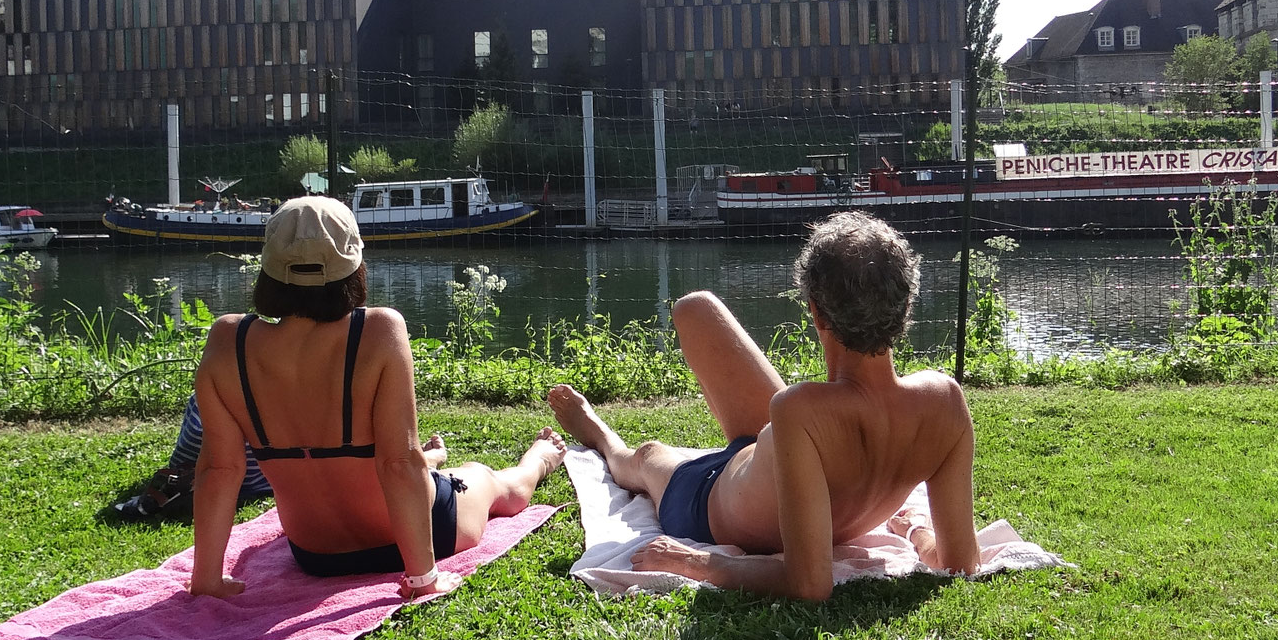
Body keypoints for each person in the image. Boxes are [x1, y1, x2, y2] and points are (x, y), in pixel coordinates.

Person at [548, 211, 983, 600]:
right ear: (907, 303)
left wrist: (694, 562)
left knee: (644, 459)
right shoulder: (943, 402)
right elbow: (961, 562)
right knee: (695, 309)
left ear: (815, 312)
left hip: (704, 500)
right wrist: (919, 533)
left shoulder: (801, 410)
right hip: (774, 459)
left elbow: (809, 584)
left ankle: (600, 437)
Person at [187, 195, 564, 600]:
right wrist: (423, 579)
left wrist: (207, 579)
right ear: (353, 264)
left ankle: (434, 460)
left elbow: (219, 469)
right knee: (488, 480)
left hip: (316, 553)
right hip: (421, 535)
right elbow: (398, 462)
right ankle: (539, 459)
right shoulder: (379, 329)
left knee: (418, 463)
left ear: (270, 267)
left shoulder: (228, 340)